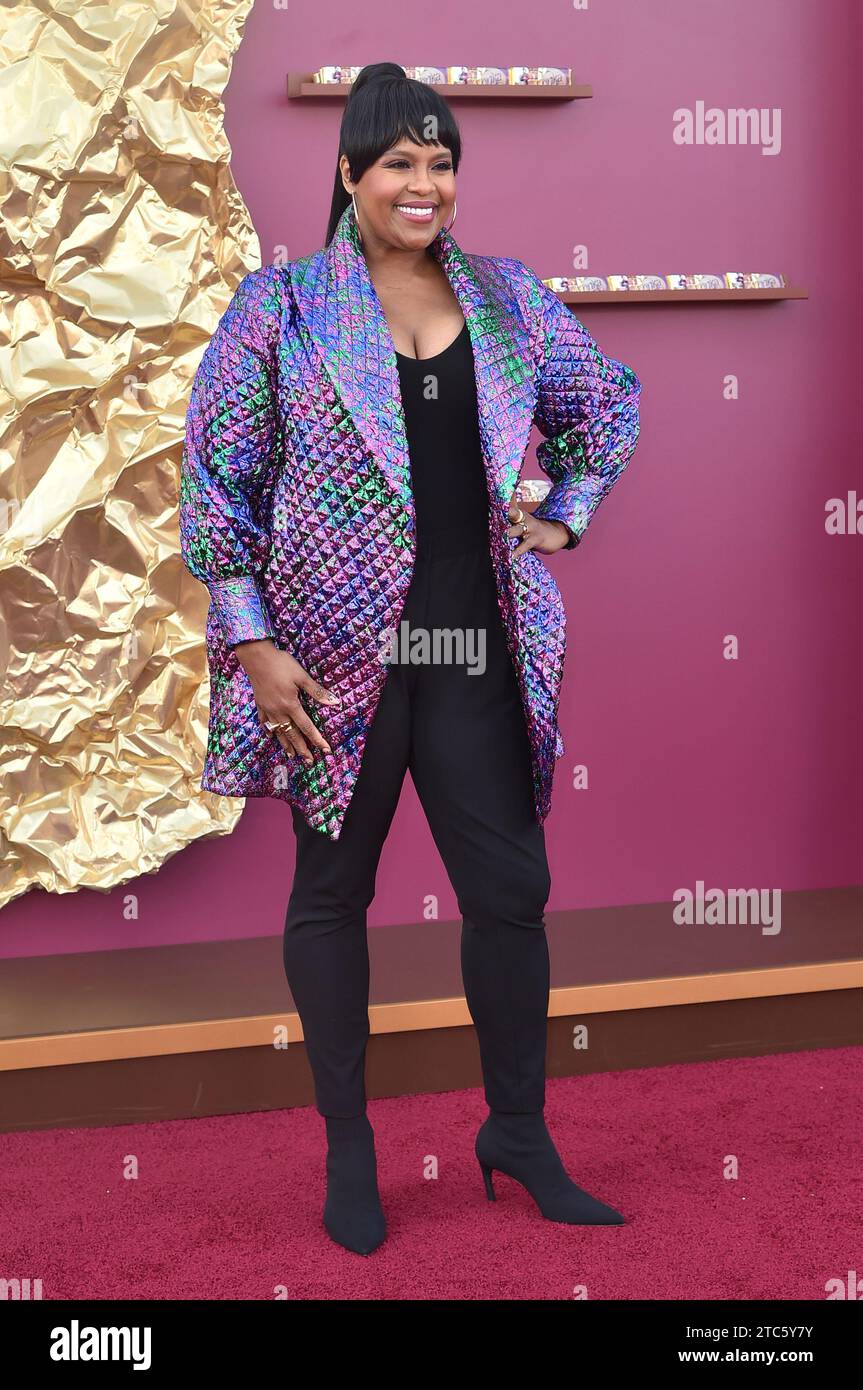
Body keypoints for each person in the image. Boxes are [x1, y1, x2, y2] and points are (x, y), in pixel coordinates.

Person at [180, 62, 642, 1256]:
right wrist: (251, 639)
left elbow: (606, 403)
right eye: (399, 162)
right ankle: (349, 1149)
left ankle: (518, 1136)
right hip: (333, 664)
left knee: (511, 893)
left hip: (468, 646)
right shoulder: (276, 309)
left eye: (440, 162)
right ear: (348, 174)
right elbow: (217, 488)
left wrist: (564, 507)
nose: (423, 182)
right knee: (332, 895)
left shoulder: (504, 299)